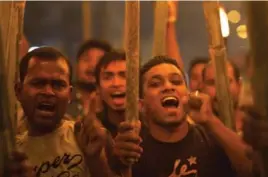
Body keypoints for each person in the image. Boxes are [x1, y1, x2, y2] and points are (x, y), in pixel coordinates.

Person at [113, 56, 252, 177]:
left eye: (176, 81)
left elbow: (253, 169)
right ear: (141, 105)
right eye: (155, 84)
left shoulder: (211, 140)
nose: (168, 87)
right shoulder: (133, 150)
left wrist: (211, 121)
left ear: (187, 95)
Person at [7, 47, 113, 177]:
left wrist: (97, 161)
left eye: (58, 85)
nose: (48, 92)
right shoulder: (11, 154)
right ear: (19, 91)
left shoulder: (87, 138)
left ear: (69, 94)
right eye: (38, 83)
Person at [67, 39, 113, 118]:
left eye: (99, 60)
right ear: (76, 65)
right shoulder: (64, 97)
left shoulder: (114, 103)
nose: (92, 65)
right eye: (86, 59)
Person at [201, 59, 242, 131]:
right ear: (203, 88)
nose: (220, 91)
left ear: (239, 85)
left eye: (226, 82)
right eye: (211, 83)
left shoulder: (255, 126)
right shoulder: (198, 132)